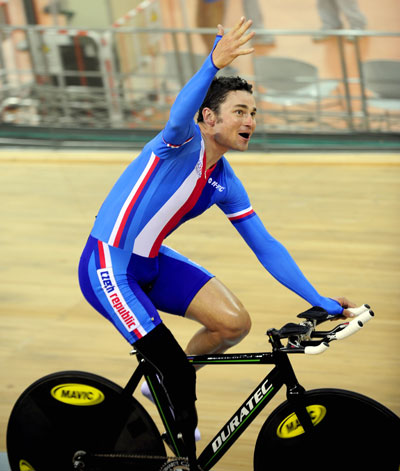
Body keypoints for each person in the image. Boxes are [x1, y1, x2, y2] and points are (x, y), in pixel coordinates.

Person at [79, 17, 356, 470]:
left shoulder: (225, 181)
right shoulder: (180, 141)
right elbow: (177, 112)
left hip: (151, 263)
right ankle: (184, 460)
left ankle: (161, 386)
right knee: (175, 373)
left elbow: (265, 245)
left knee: (233, 324)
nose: (250, 120)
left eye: (253, 112)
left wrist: (319, 300)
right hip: (109, 267)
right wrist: (212, 63)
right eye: (240, 111)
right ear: (209, 119)